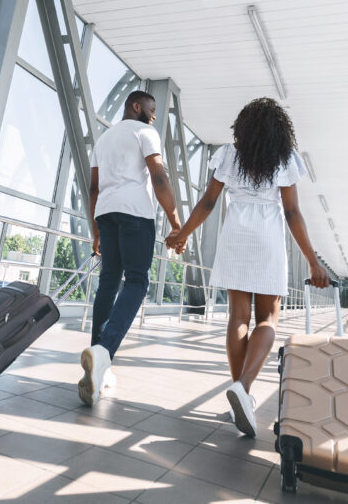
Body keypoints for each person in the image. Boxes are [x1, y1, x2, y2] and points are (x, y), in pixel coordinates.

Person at [166, 97, 329, 437]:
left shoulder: (228, 155)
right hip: (268, 237)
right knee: (268, 319)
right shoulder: (285, 158)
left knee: (238, 317)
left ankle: (241, 391)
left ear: (243, 128)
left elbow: (208, 201)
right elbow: (292, 213)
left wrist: (183, 233)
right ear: (278, 132)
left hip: (236, 236)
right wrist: (313, 260)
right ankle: (244, 387)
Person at [79, 90, 182, 406]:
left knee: (109, 282)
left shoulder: (104, 140)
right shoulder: (145, 132)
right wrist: (176, 222)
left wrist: (96, 230)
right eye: (151, 109)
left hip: (106, 214)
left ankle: (98, 368)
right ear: (136, 106)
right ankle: (104, 351)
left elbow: (94, 188)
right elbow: (159, 177)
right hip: (135, 213)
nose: (153, 116)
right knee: (137, 282)